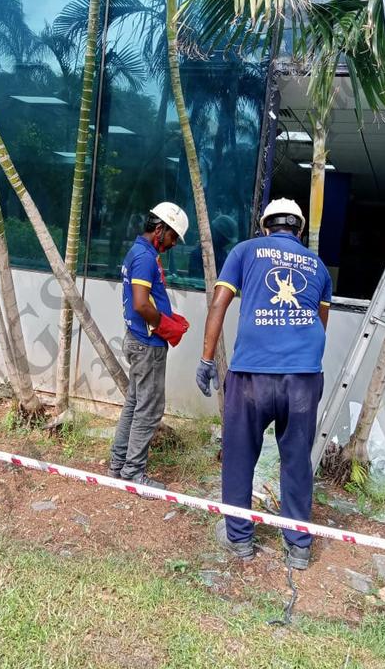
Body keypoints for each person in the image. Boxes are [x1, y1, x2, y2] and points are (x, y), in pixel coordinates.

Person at [195, 198, 332, 569]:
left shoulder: (245, 251)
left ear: (265, 226)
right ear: (299, 231)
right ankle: (299, 547)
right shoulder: (317, 265)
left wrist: (207, 359)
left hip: (251, 374)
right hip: (302, 380)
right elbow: (321, 324)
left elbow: (219, 304)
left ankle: (239, 539)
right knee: (296, 461)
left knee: (239, 456)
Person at [109, 202, 190, 489]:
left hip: (138, 340)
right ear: (160, 229)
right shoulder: (144, 257)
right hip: (147, 345)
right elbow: (142, 304)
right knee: (149, 409)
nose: (173, 245)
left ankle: (119, 464)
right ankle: (133, 472)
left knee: (134, 403)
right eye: (172, 237)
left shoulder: (140, 252)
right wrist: (164, 325)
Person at [188, 214, 238, 279]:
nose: (226, 243)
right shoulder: (198, 254)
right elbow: (197, 280)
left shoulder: (223, 254)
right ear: (217, 234)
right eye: (225, 240)